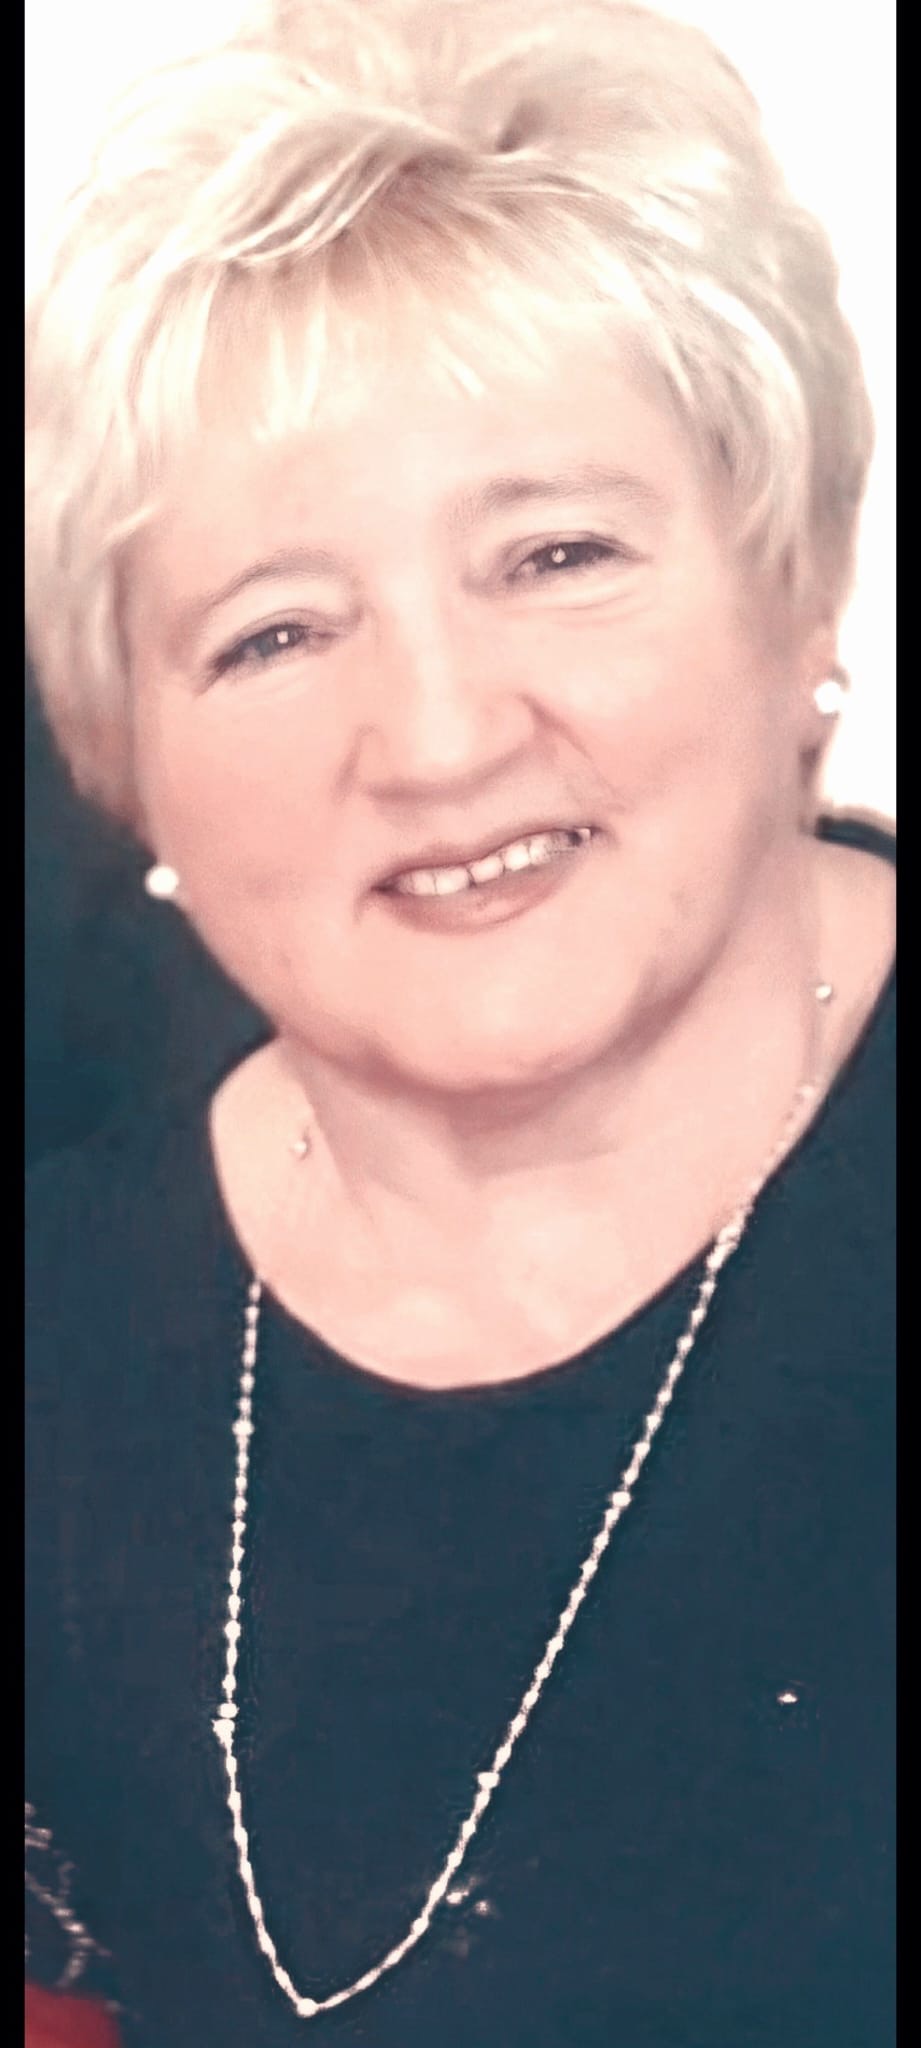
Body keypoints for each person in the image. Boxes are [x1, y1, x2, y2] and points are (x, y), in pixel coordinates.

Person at [25, 2, 895, 2043]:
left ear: (794, 592)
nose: (431, 736)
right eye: (273, 632)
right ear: (125, 764)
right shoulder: (62, 1327)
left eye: (554, 553)